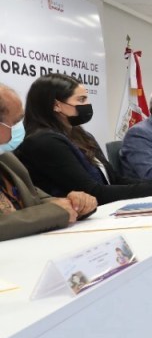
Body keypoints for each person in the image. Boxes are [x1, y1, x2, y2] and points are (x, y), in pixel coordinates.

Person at [17, 73, 152, 204]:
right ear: (56, 105)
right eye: (81, 100)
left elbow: (113, 179)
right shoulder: (44, 141)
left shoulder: (81, 135)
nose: (87, 104)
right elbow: (93, 192)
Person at [1, 82, 97, 241]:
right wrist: (56, 212)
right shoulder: (44, 140)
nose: (20, 127)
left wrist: (76, 203)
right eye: (16, 121)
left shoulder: (7, 158)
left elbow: (35, 197)